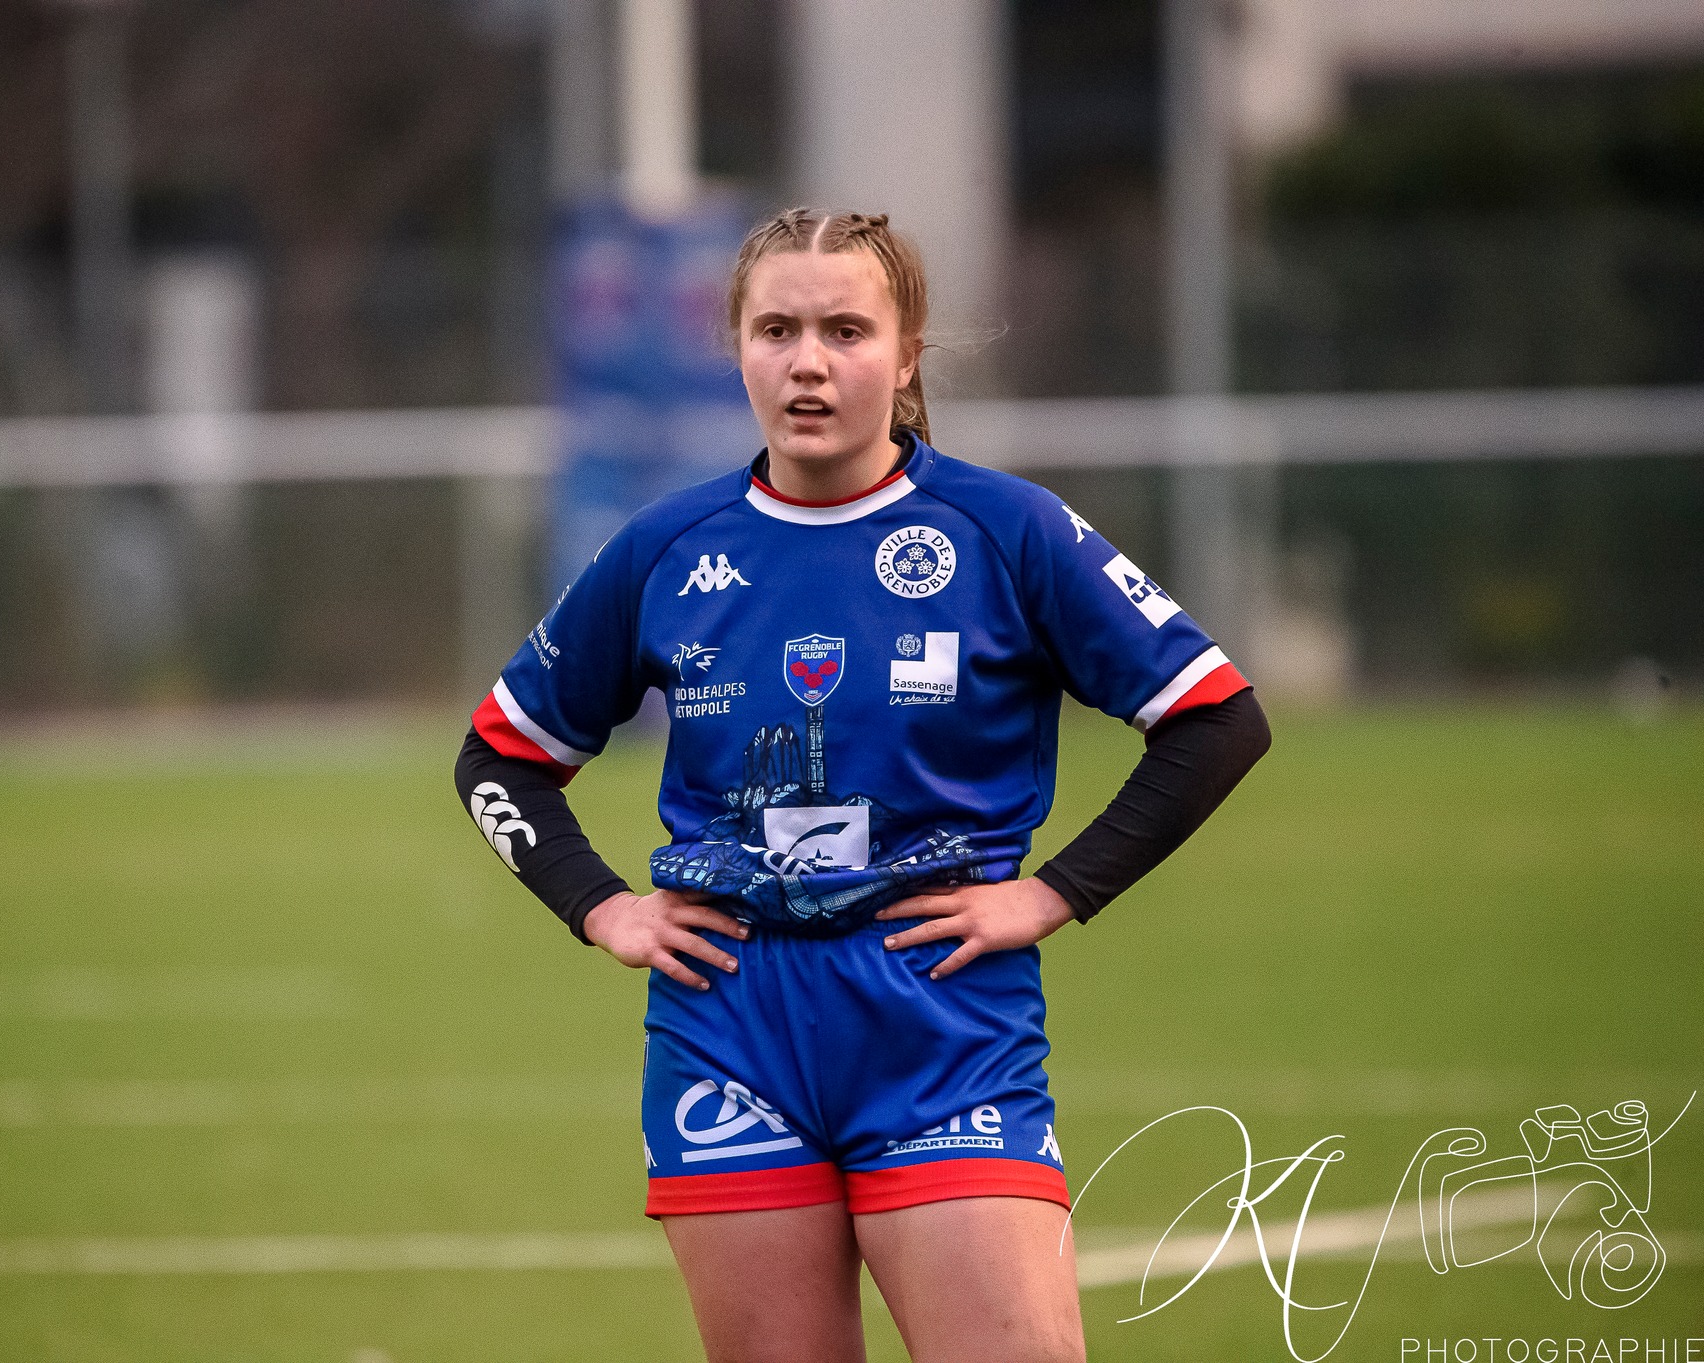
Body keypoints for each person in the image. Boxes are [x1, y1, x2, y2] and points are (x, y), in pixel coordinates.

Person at [454, 208, 1269, 1363]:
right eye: (774, 329)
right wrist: (601, 906)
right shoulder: (664, 549)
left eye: (845, 329)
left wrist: (1052, 892)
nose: (807, 362)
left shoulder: (1002, 530)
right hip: (726, 1026)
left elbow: (1214, 718)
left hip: (940, 1021)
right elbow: (498, 757)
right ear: (734, 346)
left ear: (906, 354)